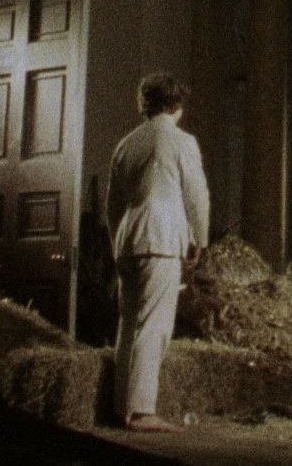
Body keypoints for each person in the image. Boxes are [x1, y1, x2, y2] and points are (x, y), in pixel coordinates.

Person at [104, 73, 210, 432]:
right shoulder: (181, 141)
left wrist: (117, 242)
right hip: (162, 239)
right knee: (155, 325)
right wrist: (200, 239)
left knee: (129, 323)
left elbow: (112, 206)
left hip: (128, 239)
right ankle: (142, 411)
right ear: (176, 105)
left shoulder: (126, 144)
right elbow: (196, 195)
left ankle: (122, 407)